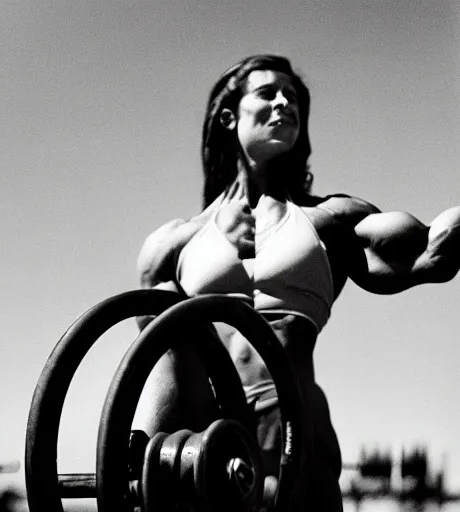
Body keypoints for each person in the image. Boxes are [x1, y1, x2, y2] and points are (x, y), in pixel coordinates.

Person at [133, 54, 460, 510]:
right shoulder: (170, 246)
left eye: (293, 98)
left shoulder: (331, 220)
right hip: (203, 450)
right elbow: (156, 365)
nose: (285, 102)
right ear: (229, 117)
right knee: (166, 309)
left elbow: (433, 250)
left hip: (292, 434)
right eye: (268, 92)